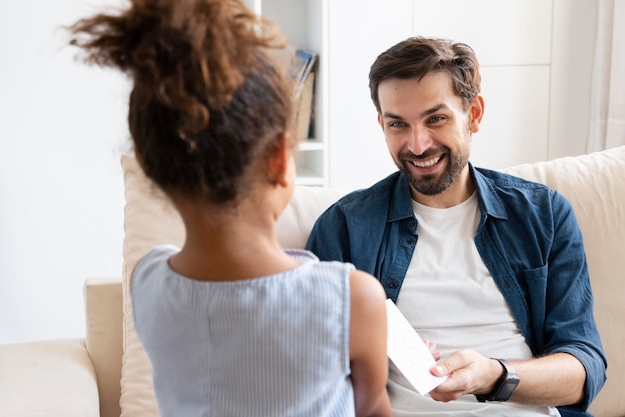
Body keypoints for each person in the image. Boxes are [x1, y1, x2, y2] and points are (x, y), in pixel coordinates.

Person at [68, 1, 391, 416]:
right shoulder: (349, 297)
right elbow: (372, 409)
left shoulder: (147, 279)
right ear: (278, 159)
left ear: (151, 167)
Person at [306, 36, 607, 417]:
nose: (417, 145)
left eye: (436, 119)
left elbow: (584, 369)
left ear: (474, 114)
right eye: (399, 124)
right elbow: (313, 372)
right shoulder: (345, 227)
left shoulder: (542, 214)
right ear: (381, 124)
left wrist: (495, 376)